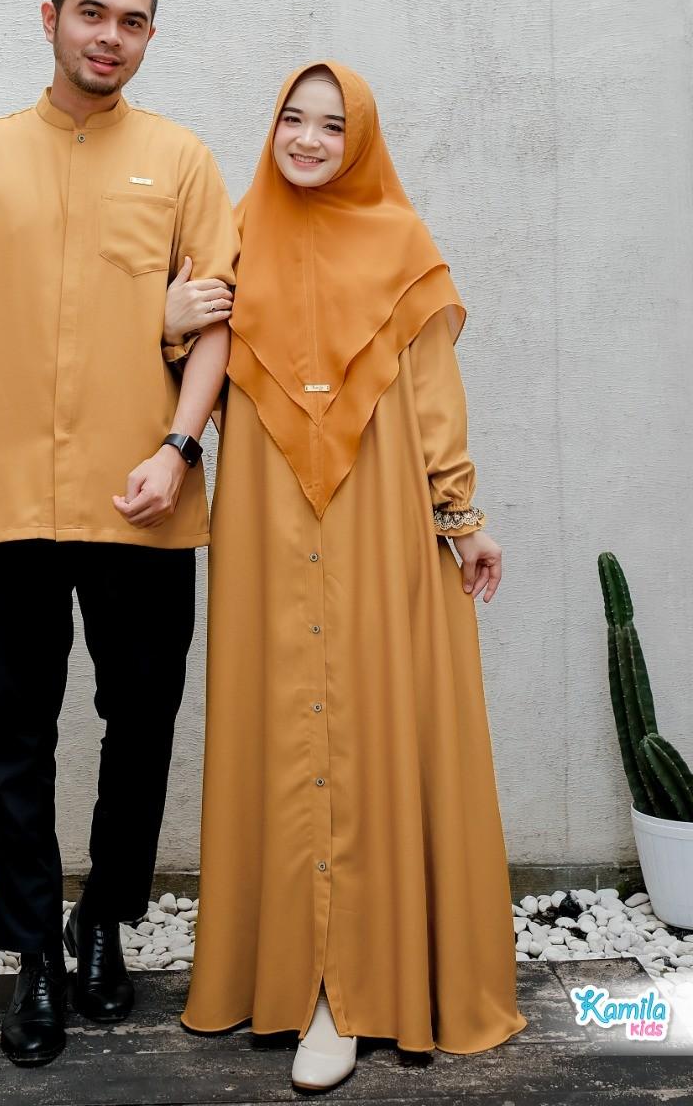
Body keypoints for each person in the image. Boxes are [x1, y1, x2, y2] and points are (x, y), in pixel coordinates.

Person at [0, 0, 238, 1067]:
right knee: (15, 728)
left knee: (142, 720)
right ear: (49, 18)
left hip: (144, 492)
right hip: (4, 496)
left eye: (131, 21)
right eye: (92, 13)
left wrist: (178, 448)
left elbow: (217, 322)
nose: (109, 36)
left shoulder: (182, 160)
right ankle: (35, 951)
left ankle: (107, 919)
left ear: (149, 38)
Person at [168, 62, 527, 1091]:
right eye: (293, 118)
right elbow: (190, 373)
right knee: (283, 724)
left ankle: (352, 986)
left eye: (333, 125)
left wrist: (461, 518)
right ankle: (292, 972)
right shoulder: (236, 234)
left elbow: (431, 393)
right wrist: (169, 317)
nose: (309, 139)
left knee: (369, 724)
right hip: (268, 519)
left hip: (377, 514)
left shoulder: (400, 242)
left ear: (359, 139)